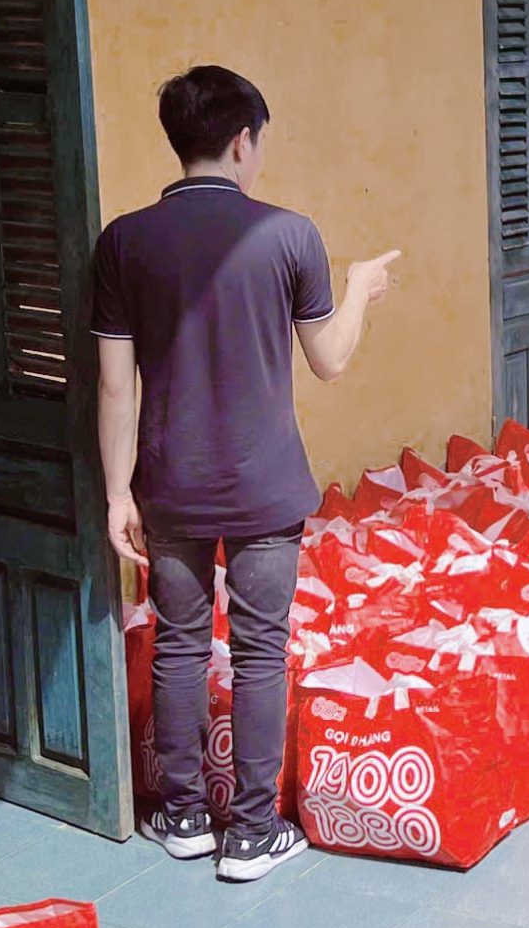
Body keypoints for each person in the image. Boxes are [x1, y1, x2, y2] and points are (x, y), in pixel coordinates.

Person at [93, 65, 400, 876]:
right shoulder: (291, 235)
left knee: (180, 645)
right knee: (262, 650)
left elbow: (115, 382)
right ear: (241, 140)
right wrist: (362, 287)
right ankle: (255, 830)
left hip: (168, 483)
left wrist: (116, 489)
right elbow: (329, 358)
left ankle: (187, 816)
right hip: (266, 484)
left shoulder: (124, 241)